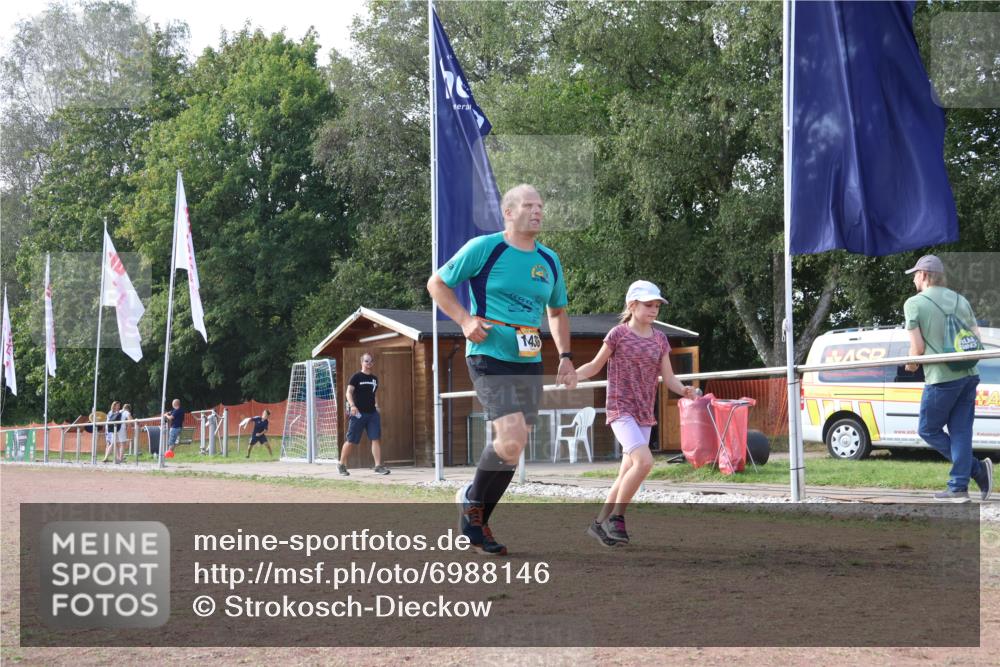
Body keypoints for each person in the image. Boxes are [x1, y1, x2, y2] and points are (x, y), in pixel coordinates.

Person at [427, 183, 577, 556]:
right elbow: (437, 283)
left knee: (515, 445)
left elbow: (556, 312)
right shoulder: (486, 248)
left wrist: (565, 356)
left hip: (529, 360)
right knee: (509, 436)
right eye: (529, 205)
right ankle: (473, 507)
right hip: (487, 353)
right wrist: (464, 320)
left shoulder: (550, 260)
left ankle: (476, 516)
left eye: (541, 205)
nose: (538, 211)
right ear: (508, 212)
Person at [576, 280, 698, 546]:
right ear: (632, 306)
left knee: (625, 474)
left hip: (644, 413)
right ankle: (617, 518)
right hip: (621, 409)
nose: (654, 310)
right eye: (648, 305)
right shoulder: (618, 334)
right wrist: (572, 376)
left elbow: (670, 378)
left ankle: (598, 524)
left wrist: (684, 390)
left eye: (657, 305)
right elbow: (595, 366)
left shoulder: (660, 339)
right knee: (644, 462)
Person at [903, 254, 992, 503]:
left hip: (941, 377)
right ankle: (958, 487)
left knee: (928, 429)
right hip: (970, 374)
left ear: (922, 275)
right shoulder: (961, 299)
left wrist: (910, 364)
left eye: (915, 276)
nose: (913, 281)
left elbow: (917, 349)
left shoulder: (914, 303)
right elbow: (975, 338)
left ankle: (975, 470)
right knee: (961, 432)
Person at [339, 353, 390, 476]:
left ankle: (378, 466)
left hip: (372, 414)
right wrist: (352, 406)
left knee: (375, 438)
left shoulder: (374, 379)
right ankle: (341, 465)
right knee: (351, 440)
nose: (368, 363)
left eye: (370, 361)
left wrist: (376, 406)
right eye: (366, 361)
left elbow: (373, 394)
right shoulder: (356, 377)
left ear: (373, 363)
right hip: (358, 414)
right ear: (361, 362)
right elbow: (348, 393)